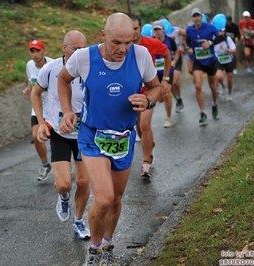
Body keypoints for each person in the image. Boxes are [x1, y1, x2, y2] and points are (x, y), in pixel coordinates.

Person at [57, 12, 161, 266]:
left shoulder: (141, 56)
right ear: (104, 36)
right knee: (103, 199)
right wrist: (68, 110)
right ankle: (93, 251)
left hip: (123, 138)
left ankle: (107, 244)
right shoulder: (84, 57)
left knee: (115, 199)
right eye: (117, 42)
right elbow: (62, 79)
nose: (123, 49)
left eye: (128, 42)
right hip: (92, 136)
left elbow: (157, 88)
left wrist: (148, 100)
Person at [31, 30, 91, 240]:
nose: (81, 52)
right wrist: (40, 123)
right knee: (64, 183)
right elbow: (35, 93)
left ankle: (79, 221)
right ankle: (63, 196)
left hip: (85, 133)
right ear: (64, 48)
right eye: (77, 48)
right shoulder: (50, 69)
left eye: (85, 48)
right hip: (60, 133)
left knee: (83, 182)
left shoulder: (92, 67)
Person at [130, 14, 172, 178]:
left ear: (141, 28)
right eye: (130, 28)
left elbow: (167, 54)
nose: (133, 32)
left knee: (145, 125)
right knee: (139, 126)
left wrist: (166, 79)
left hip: (149, 91)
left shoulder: (151, 43)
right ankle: (150, 144)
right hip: (133, 92)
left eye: (136, 28)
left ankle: (146, 162)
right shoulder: (122, 47)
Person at [22, 40, 52, 181]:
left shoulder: (53, 65)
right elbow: (31, 79)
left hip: (52, 107)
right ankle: (45, 165)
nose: (35, 55)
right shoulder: (29, 64)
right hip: (38, 107)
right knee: (36, 137)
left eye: (37, 50)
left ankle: (63, 163)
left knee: (57, 137)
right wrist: (29, 88)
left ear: (43, 51)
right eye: (32, 51)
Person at [186, 8, 220, 126]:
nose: (196, 18)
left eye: (198, 15)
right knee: (198, 85)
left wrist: (210, 43)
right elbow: (188, 41)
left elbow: (220, 37)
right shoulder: (189, 30)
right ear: (192, 18)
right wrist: (189, 48)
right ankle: (202, 112)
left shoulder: (210, 27)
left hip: (210, 61)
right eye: (194, 16)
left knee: (212, 86)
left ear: (201, 17)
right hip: (198, 61)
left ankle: (214, 104)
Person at [152, 20, 180, 127]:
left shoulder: (170, 40)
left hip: (168, 72)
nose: (158, 32)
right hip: (155, 73)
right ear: (153, 31)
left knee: (166, 94)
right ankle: (176, 99)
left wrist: (174, 61)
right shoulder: (150, 42)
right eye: (156, 30)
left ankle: (168, 118)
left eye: (159, 29)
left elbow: (177, 51)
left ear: (163, 30)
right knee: (160, 98)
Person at [165, 22, 186, 113]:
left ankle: (179, 97)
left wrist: (183, 45)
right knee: (171, 84)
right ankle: (178, 99)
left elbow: (186, 33)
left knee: (174, 82)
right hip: (167, 60)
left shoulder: (175, 30)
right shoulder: (158, 32)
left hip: (176, 58)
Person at [214, 27, 237, 101]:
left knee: (229, 79)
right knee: (219, 77)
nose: (221, 32)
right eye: (219, 31)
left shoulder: (228, 39)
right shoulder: (213, 40)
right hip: (219, 60)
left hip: (228, 60)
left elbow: (234, 51)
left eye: (222, 31)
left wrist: (227, 50)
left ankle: (229, 94)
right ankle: (223, 86)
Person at [239, 11, 254, 75]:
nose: (246, 19)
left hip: (253, 42)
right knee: (247, 54)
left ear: (250, 17)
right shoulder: (241, 22)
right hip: (246, 41)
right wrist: (242, 35)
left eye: (247, 17)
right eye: (245, 18)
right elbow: (241, 29)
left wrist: (253, 34)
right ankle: (250, 64)